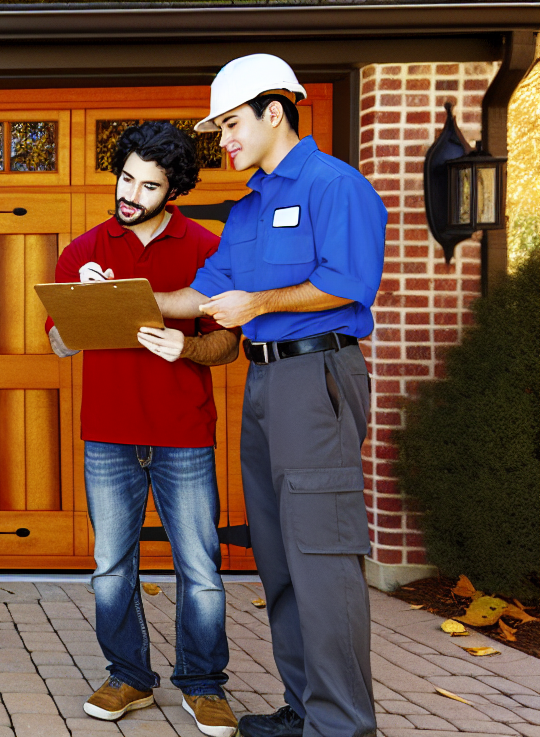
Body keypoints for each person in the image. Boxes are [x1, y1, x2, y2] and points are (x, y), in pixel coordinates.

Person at [154, 54, 387, 737]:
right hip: (263, 380)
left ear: (273, 111)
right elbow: (201, 291)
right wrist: (119, 303)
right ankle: (305, 707)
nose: (222, 140)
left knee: (321, 555)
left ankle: (342, 725)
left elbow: (349, 281)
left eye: (230, 124)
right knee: (280, 554)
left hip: (317, 380)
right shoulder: (252, 205)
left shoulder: (332, 185)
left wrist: (258, 301)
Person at [49, 121, 241, 737]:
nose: (130, 194)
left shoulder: (207, 249)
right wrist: (85, 304)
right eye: (126, 178)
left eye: (148, 186)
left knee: (200, 565)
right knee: (112, 563)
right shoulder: (82, 250)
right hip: (107, 432)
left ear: (173, 190)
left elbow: (227, 345)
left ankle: (203, 684)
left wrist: (182, 348)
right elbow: (57, 346)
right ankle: (128, 675)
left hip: (183, 432)